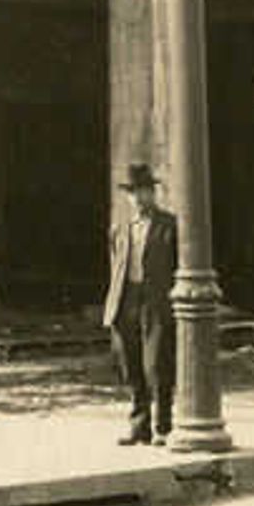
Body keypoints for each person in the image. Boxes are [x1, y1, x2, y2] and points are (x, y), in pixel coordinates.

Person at [104, 162, 178, 445]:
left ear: (153, 193)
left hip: (157, 300)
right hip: (127, 299)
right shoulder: (119, 228)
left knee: (157, 365)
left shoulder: (169, 225)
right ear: (127, 196)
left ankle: (163, 427)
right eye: (133, 192)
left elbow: (177, 264)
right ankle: (139, 425)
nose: (139, 198)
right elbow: (117, 265)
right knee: (130, 364)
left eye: (144, 191)